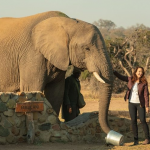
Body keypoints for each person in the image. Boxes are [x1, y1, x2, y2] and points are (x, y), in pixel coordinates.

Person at [113, 66, 150, 145]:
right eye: (139, 71)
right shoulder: (130, 79)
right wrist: (114, 71)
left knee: (143, 120)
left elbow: (146, 95)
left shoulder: (144, 82)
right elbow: (121, 77)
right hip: (131, 103)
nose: (140, 73)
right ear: (136, 72)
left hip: (140, 104)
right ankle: (136, 140)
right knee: (133, 121)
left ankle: (147, 139)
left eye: (141, 71)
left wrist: (147, 106)